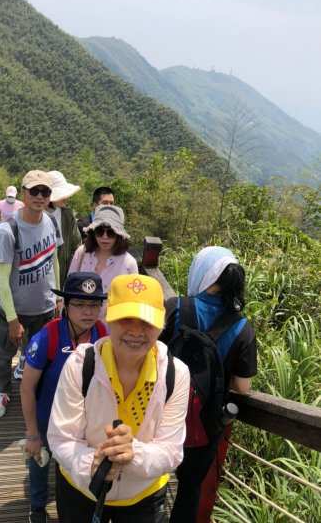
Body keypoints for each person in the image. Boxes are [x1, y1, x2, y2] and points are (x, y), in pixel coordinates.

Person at [47, 273, 190, 523]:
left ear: (162, 324)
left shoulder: (175, 374)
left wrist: (131, 453)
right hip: (81, 490)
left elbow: (171, 450)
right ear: (108, 319)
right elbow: (61, 438)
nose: (136, 331)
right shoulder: (81, 365)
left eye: (146, 321)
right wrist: (93, 465)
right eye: (125, 319)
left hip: (142, 495)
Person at [160, 246, 257, 523]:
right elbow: (243, 387)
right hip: (205, 423)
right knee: (190, 489)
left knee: (148, 476)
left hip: (162, 410)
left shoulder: (175, 306)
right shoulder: (242, 327)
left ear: (201, 272)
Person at [21, 272, 108, 523]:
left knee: (70, 471)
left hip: (81, 423)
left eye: (93, 305)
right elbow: (27, 388)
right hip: (46, 419)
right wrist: (32, 433)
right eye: (79, 304)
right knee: (39, 464)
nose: (87, 312)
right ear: (65, 305)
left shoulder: (102, 334)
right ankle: (37, 508)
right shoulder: (47, 337)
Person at [0, 170, 60, 418]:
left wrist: (58, 296)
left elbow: (54, 260)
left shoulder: (51, 221)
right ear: (24, 193)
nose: (40, 196)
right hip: (16, 309)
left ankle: (34, 388)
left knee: (39, 352)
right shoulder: (9, 230)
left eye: (45, 192)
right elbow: (3, 280)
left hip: (45, 307)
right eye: (34, 191)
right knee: (5, 352)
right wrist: (12, 319)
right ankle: (1, 391)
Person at [68, 205, 138, 322]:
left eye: (110, 232)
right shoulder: (82, 253)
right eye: (100, 231)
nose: (104, 237)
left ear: (119, 235)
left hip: (110, 328)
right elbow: (69, 286)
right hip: (79, 325)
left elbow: (132, 302)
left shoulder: (129, 263)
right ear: (93, 232)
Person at [47, 170, 82, 288]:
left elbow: (76, 245)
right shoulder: (36, 216)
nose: (66, 198)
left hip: (64, 273)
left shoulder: (67, 215)